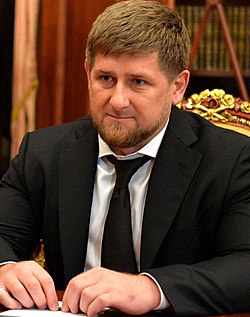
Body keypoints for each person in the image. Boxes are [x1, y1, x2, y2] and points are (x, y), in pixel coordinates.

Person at [0, 0, 250, 316]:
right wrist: (5, 267)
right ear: (88, 72)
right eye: (106, 79)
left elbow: (245, 265)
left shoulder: (230, 160)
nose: (118, 101)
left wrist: (150, 288)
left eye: (138, 82)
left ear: (177, 87)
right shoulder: (45, 152)